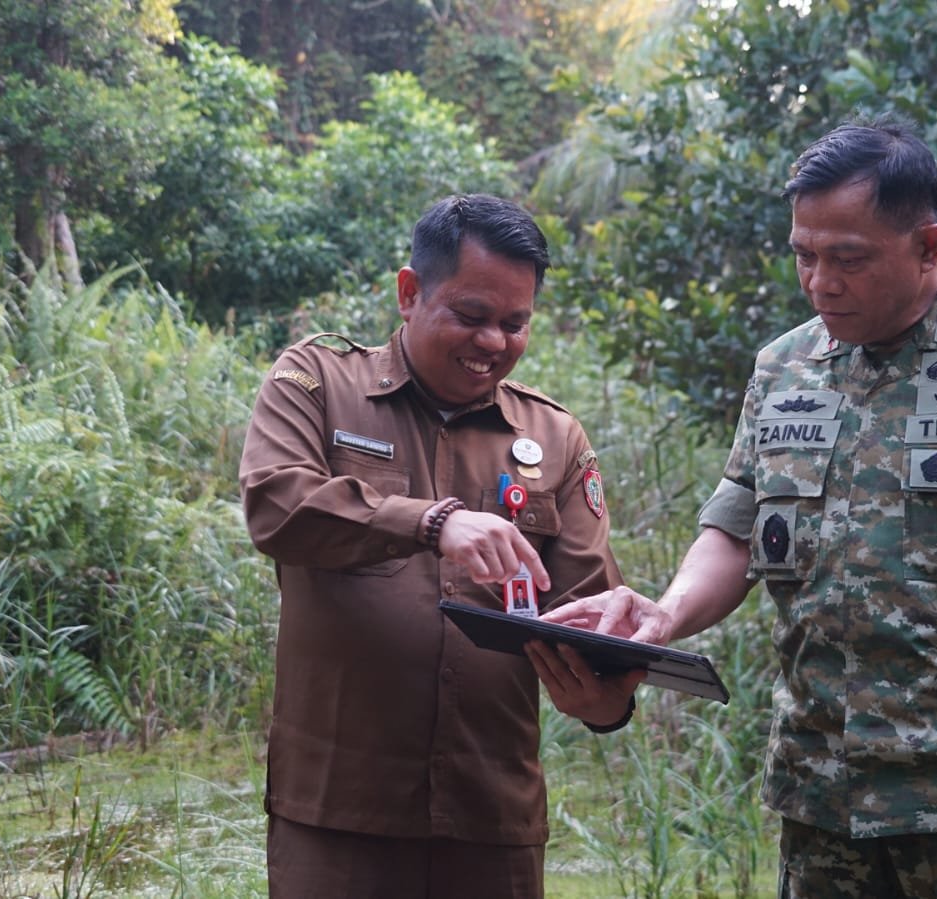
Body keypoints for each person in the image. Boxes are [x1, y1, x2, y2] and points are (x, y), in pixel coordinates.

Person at [545, 116, 937, 898]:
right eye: (803, 254)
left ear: (928, 245)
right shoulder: (784, 367)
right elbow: (735, 529)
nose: (820, 281)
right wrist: (664, 615)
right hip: (822, 794)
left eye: (848, 259)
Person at [239, 194, 644, 898]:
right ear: (408, 292)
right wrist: (433, 522)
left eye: (514, 324)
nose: (493, 341)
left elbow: (585, 607)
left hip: (491, 818)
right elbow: (279, 506)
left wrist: (608, 691)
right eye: (470, 315)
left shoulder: (553, 439)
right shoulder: (317, 383)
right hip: (338, 813)